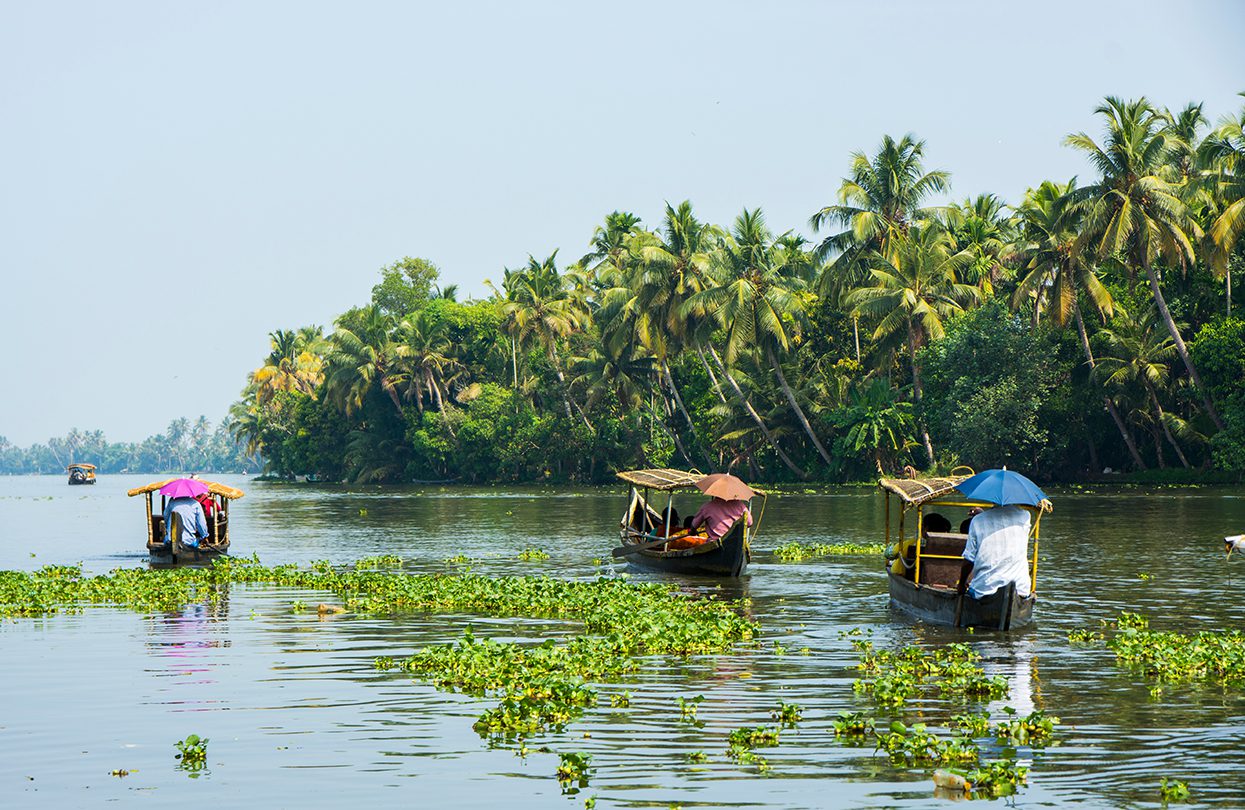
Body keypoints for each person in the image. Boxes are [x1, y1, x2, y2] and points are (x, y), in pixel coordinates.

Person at [957, 505, 1032, 599]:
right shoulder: (1025, 516)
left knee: (974, 588)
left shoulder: (977, 521)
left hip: (985, 589)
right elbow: (1003, 523)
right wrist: (983, 515)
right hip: (1021, 589)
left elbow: (969, 559)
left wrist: (961, 584)